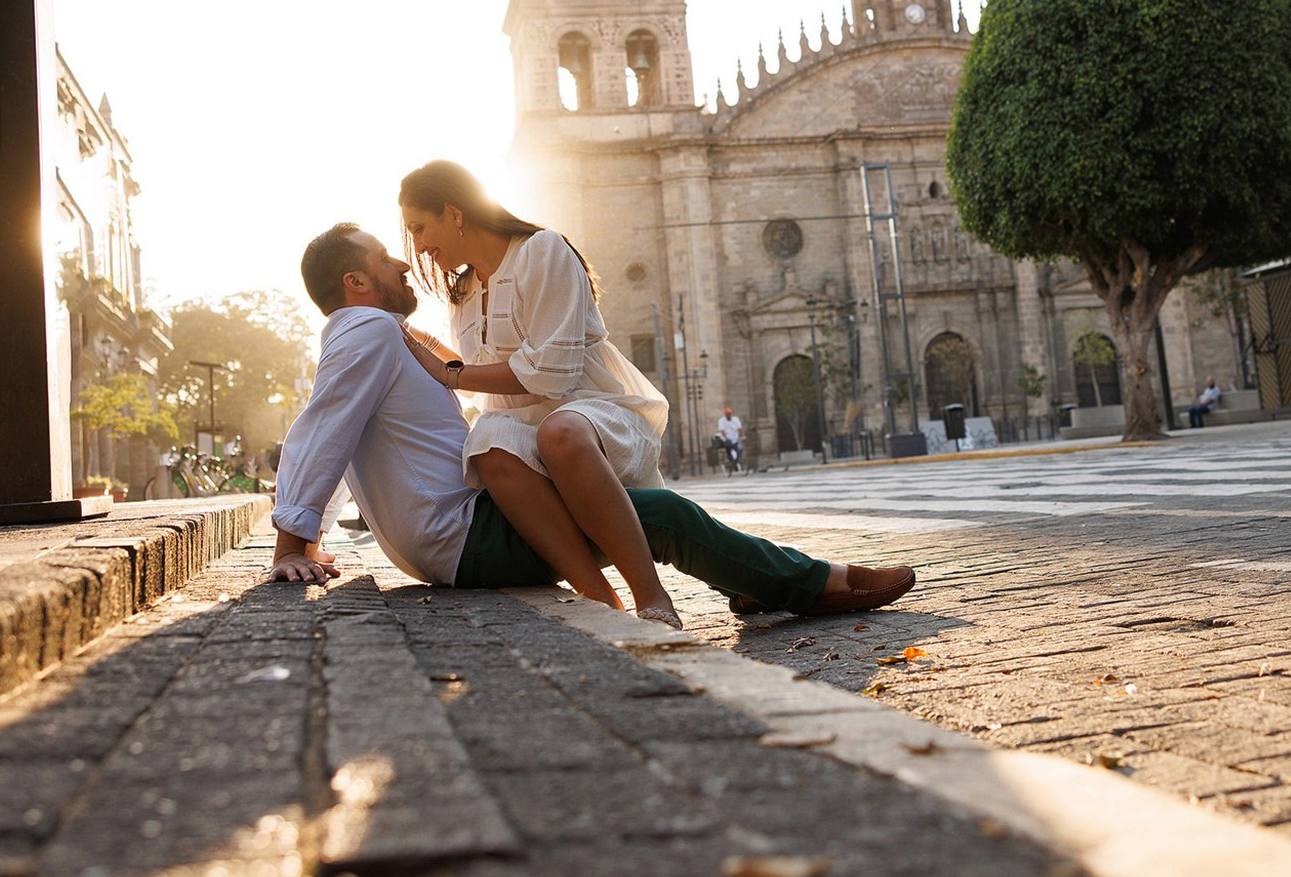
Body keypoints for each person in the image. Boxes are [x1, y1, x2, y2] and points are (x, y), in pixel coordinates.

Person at [269, 222, 916, 625]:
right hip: (460, 532)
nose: (406, 263)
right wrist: (293, 539)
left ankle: (755, 583)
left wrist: (309, 532)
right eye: (386, 256)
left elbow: (356, 432)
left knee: (649, 511)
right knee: (657, 517)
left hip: (453, 528)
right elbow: (325, 425)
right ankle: (814, 583)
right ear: (356, 280)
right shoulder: (366, 326)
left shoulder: (383, 333)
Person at [389, 161, 682, 625]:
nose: (420, 247)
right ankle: (600, 599)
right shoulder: (462, 290)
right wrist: (410, 341)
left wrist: (451, 374)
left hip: (594, 420)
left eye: (421, 228)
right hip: (528, 441)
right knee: (485, 441)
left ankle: (653, 597)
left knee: (559, 431)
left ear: (454, 212)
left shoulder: (542, 252)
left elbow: (551, 375)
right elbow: (477, 366)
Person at [716, 407, 743, 472]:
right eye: (727, 414)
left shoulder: (735, 419)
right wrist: (726, 438)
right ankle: (730, 460)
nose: (729, 415)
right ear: (725, 415)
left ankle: (736, 463)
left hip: (735, 438)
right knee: (729, 447)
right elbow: (722, 430)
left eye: (730, 414)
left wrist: (742, 435)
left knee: (739, 450)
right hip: (726, 439)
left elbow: (740, 428)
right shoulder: (722, 421)